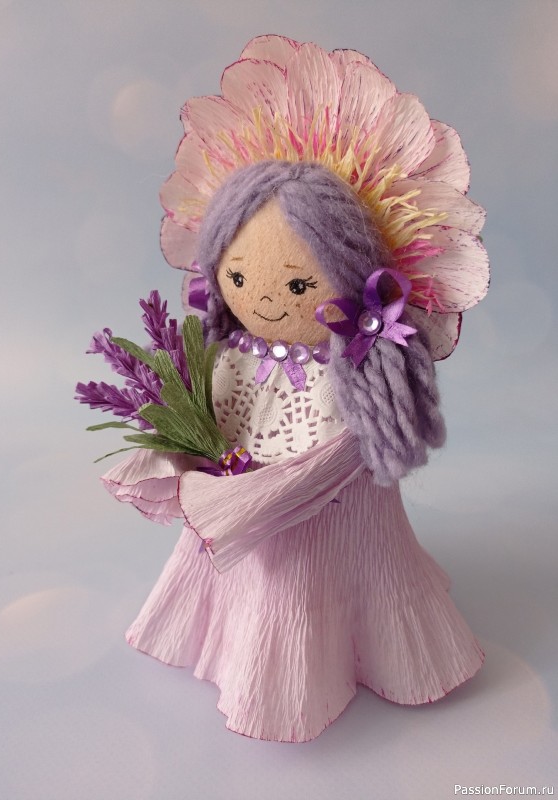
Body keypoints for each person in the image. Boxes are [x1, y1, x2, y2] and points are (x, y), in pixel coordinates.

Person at [106, 160, 484, 742]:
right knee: (249, 579)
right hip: (227, 513)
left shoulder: (349, 375)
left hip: (318, 521)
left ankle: (300, 676)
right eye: (236, 277)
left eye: (299, 286)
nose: (262, 299)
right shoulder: (229, 353)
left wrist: (253, 497)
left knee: (299, 583)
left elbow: (345, 452)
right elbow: (202, 416)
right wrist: (177, 449)